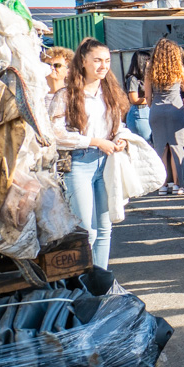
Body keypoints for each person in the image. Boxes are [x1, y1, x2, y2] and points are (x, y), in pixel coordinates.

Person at [49, 38, 129, 269]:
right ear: (83, 61)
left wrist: (120, 138)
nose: (103, 65)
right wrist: (94, 141)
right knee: (87, 231)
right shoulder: (66, 95)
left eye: (106, 61)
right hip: (79, 164)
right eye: (97, 60)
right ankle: (84, 282)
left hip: (107, 162)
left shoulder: (110, 93)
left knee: (105, 229)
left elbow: (118, 126)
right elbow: (55, 134)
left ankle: (100, 280)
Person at [146, 38, 184, 195]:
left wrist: (154, 106)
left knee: (160, 149)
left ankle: (162, 185)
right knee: (177, 147)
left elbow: (148, 96)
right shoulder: (178, 68)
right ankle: (179, 184)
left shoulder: (150, 68)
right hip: (175, 109)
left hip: (156, 110)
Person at [124, 50, 153, 143]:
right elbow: (134, 99)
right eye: (148, 60)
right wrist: (150, 99)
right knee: (146, 142)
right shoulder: (133, 78)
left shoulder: (147, 77)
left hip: (148, 111)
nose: (150, 63)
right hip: (139, 112)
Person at [41, 45, 72, 109]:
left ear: (68, 71)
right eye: (48, 64)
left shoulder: (73, 97)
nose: (52, 67)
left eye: (57, 65)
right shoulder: (37, 96)